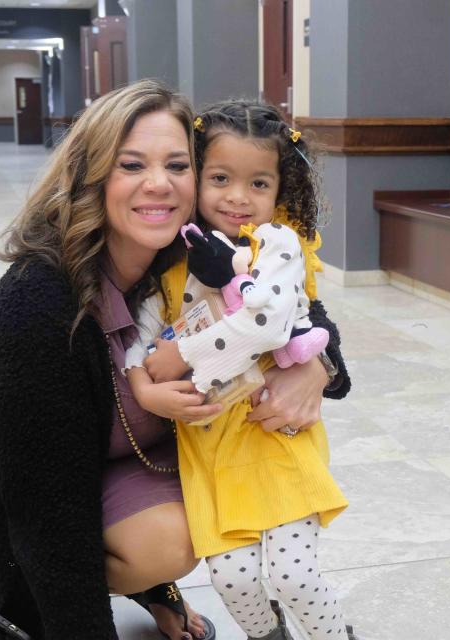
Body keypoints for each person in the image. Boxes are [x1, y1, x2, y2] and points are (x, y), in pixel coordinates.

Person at [0, 81, 351, 640]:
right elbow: (47, 516)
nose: (158, 183)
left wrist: (315, 369)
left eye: (177, 165)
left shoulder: (198, 250)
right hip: (22, 518)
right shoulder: (37, 300)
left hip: (122, 460)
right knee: (159, 541)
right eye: (132, 165)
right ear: (94, 175)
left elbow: (309, 316)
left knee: (202, 522)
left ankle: (152, 586)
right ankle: (48, 597)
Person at [125, 100, 357, 640]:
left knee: (295, 576)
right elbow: (140, 326)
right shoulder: (171, 256)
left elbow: (268, 323)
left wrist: (185, 356)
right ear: (197, 177)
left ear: (281, 190)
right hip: (208, 444)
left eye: (258, 183)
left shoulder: (277, 247)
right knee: (232, 579)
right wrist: (140, 375)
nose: (237, 197)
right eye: (221, 178)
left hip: (275, 434)